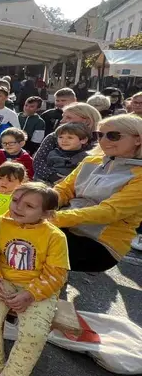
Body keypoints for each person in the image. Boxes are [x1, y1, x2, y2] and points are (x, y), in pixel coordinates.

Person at [0, 183, 68, 376]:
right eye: (15, 199)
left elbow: (56, 274)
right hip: (2, 281)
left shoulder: (54, 236)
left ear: (47, 213)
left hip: (38, 288)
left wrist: (31, 294)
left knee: (35, 333)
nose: (17, 207)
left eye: (28, 205)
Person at [52, 113, 142, 268]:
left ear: (138, 139)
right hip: (65, 226)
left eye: (113, 136)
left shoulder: (139, 175)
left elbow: (109, 211)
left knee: (30, 245)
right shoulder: (90, 160)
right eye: (99, 135)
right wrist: (38, 201)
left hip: (100, 242)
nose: (103, 140)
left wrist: (53, 218)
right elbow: (63, 190)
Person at [32, 102, 100, 184]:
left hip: (81, 183)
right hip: (48, 182)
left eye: (68, 118)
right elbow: (39, 161)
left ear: (86, 121)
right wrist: (53, 177)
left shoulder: (100, 140)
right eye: (63, 117)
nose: (62, 121)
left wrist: (72, 180)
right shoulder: (54, 137)